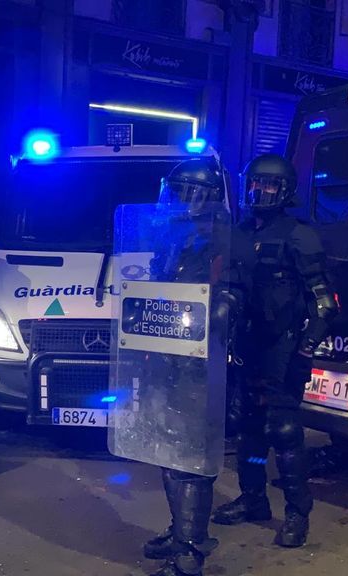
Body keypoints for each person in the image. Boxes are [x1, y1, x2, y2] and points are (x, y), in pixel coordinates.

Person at [211, 154, 337, 548]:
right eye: (254, 183)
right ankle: (253, 500)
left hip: (283, 349)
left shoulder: (299, 235)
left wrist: (306, 347)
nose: (259, 191)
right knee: (247, 431)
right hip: (246, 345)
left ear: (283, 191)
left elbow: (324, 302)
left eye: (267, 185)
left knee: (282, 432)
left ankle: (297, 513)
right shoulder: (239, 231)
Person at [135, 157, 250, 576]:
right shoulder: (172, 235)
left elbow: (233, 294)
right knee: (168, 447)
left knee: (189, 458)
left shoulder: (223, 238)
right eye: (179, 191)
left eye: (190, 192)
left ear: (207, 197)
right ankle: (181, 530)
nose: (182, 199)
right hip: (167, 354)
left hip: (200, 361)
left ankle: (189, 553)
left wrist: (214, 309)